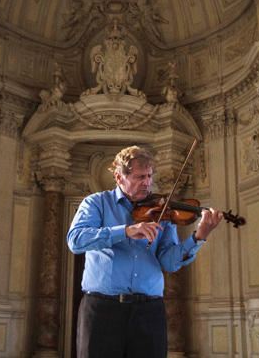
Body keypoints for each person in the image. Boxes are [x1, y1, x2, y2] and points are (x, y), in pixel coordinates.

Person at [67, 145, 223, 358]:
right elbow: (75, 240)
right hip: (102, 309)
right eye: (140, 177)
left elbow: (168, 262)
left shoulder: (162, 210)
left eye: (149, 176)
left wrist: (199, 237)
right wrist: (127, 231)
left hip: (149, 311)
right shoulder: (96, 203)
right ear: (119, 176)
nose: (147, 183)